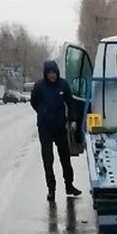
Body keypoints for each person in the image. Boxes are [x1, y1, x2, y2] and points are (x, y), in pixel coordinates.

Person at [30, 60, 81, 203]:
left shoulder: (63, 85)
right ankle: (51, 190)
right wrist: (42, 113)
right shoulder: (39, 86)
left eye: (54, 73)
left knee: (65, 158)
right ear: (45, 74)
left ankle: (69, 186)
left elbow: (70, 103)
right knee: (48, 159)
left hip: (60, 127)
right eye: (49, 73)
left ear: (57, 72)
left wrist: (72, 120)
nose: (52, 75)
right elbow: (34, 102)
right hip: (45, 128)